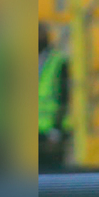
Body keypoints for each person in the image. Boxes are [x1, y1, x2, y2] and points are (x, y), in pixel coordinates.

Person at [38, 22, 70, 172]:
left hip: (50, 133)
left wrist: (56, 131)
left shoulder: (58, 62)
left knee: (51, 177)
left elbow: (64, 98)